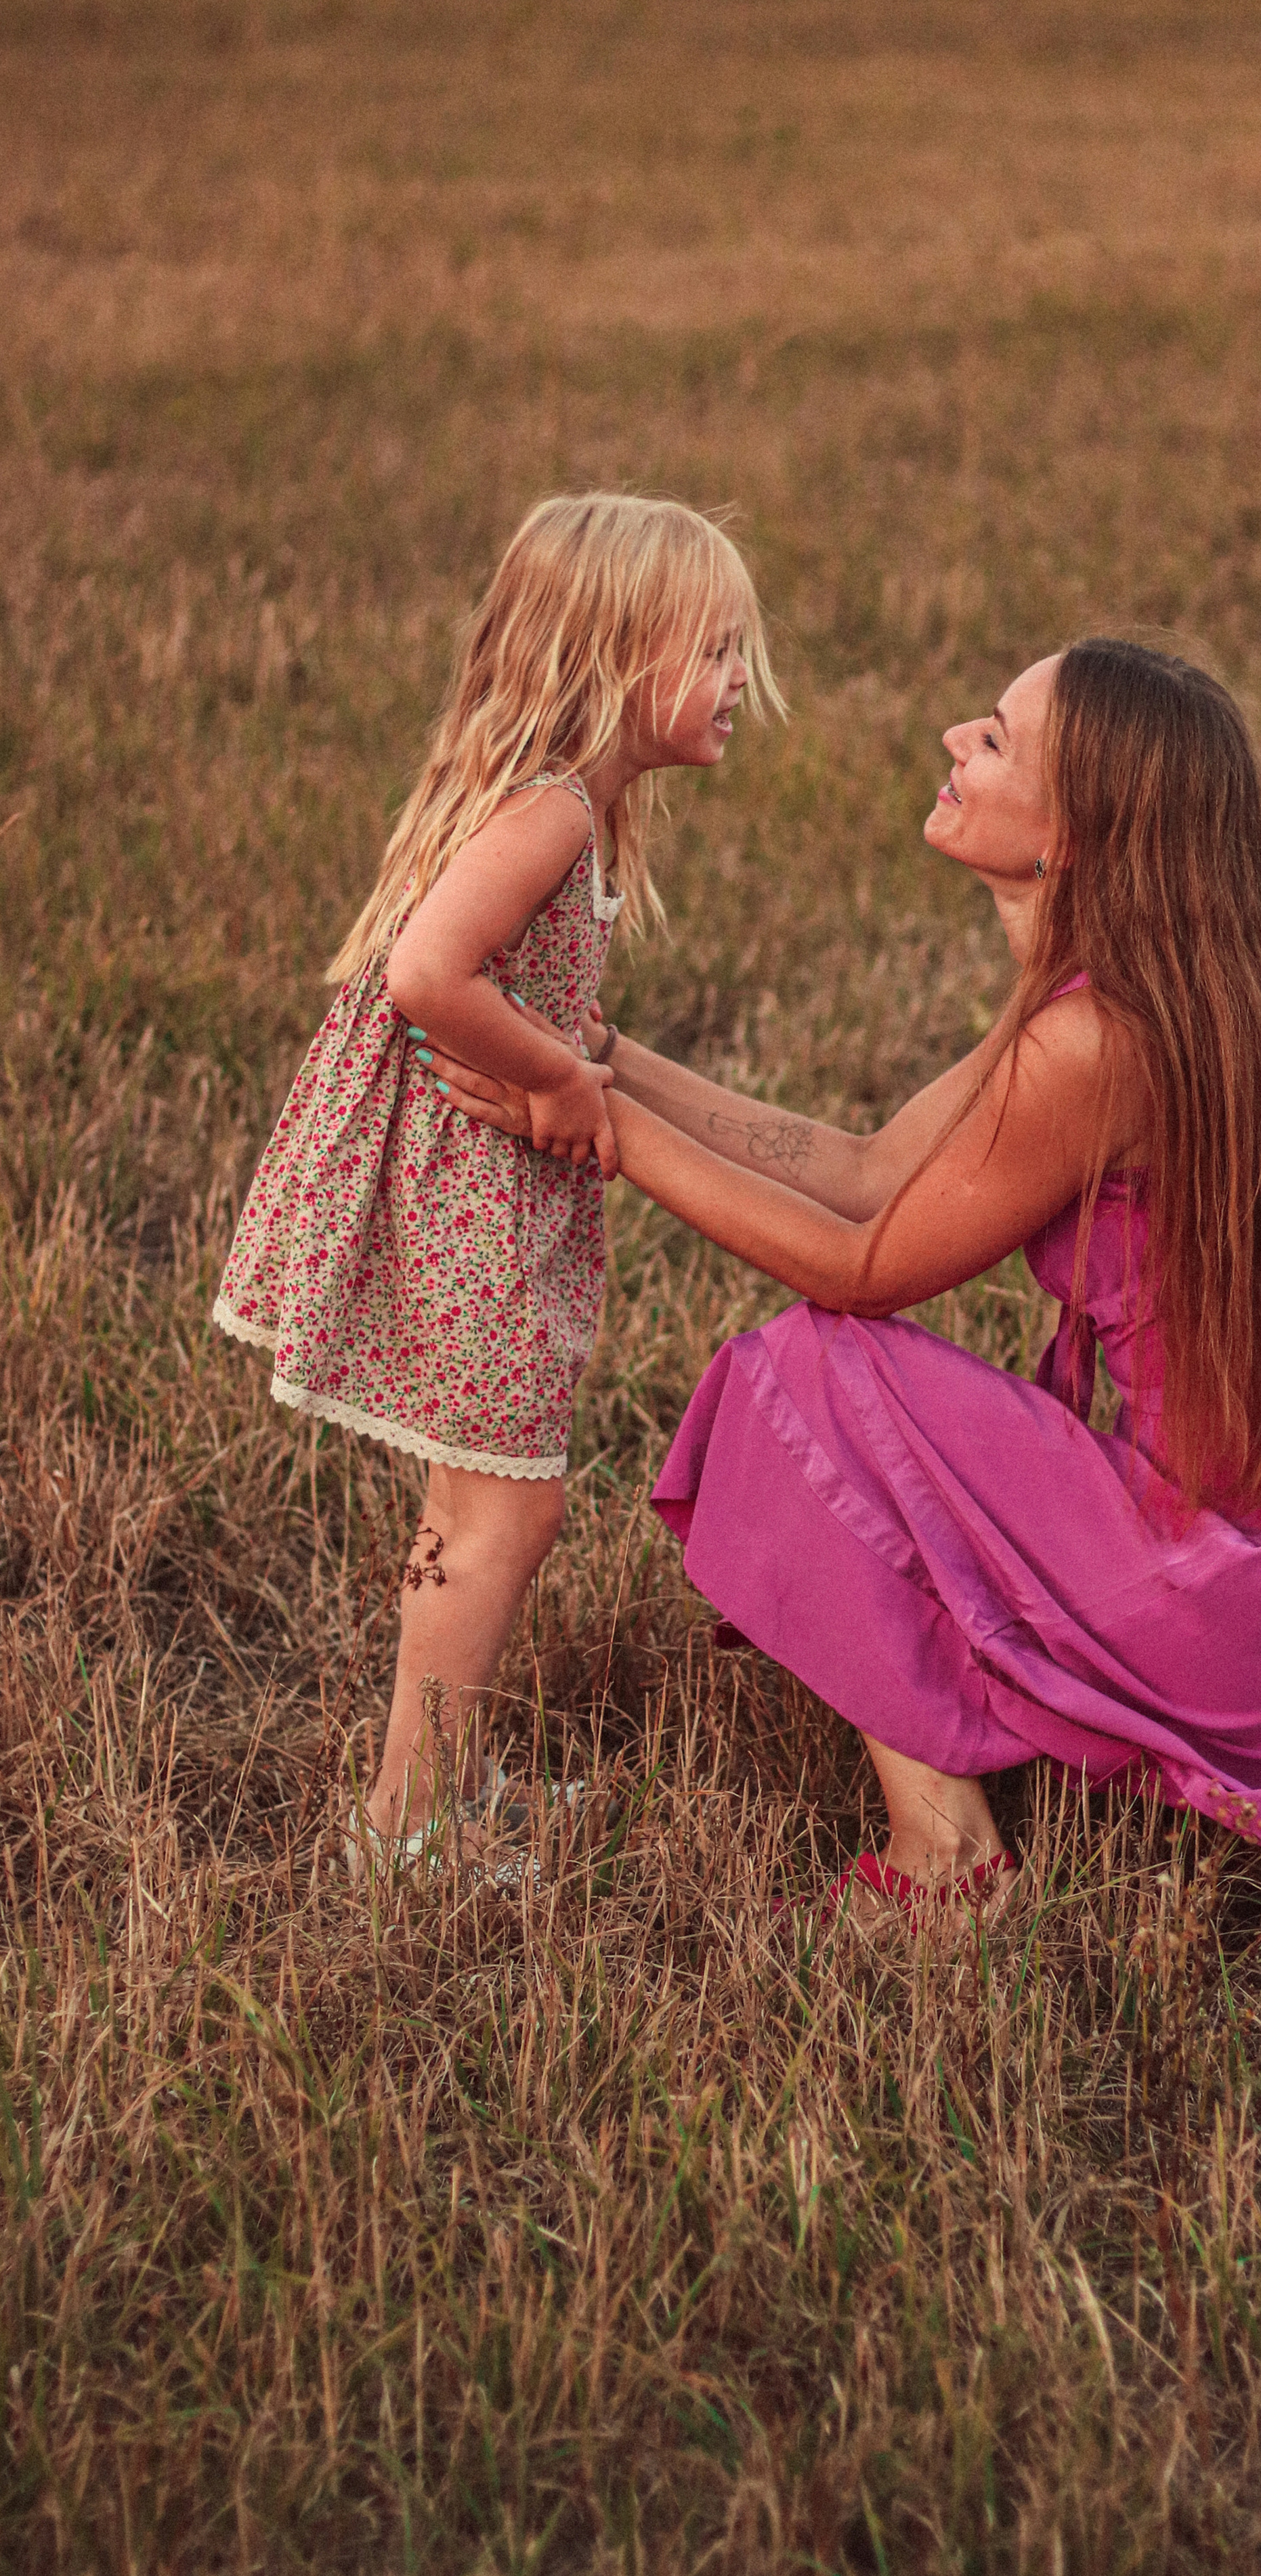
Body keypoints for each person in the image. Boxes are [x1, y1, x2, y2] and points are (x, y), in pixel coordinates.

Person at [426, 638, 1261, 1906]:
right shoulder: (1174, 987)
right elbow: (863, 1167)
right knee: (858, 1381)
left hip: (1248, 1607)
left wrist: (599, 1129)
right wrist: (600, 1058)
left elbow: (859, 1266)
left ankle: (949, 1862)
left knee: (811, 1371)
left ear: (1080, 833)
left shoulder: (1097, 1039)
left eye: (996, 740)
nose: (955, 738)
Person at [213, 493, 781, 1860]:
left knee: (477, 1502)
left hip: (479, 1201)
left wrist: (563, 1054)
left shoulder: (560, 808)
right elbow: (422, 976)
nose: (733, 690)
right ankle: (408, 1825)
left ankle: (418, 1800)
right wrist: (560, 1084)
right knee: (507, 1506)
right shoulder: (550, 820)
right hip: (470, 1208)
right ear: (609, 656)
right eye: (709, 655)